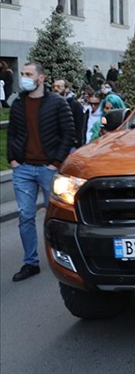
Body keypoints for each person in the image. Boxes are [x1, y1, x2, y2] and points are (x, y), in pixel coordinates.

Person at [6, 62, 75, 282]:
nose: (24, 77)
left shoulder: (57, 103)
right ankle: (30, 262)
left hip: (49, 169)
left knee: (54, 215)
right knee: (25, 215)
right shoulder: (18, 103)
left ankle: (63, 258)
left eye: (28, 74)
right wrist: (13, 159)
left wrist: (55, 163)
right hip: (23, 169)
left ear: (41, 78)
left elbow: (69, 133)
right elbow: (12, 133)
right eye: (22, 73)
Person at [53, 79, 85, 149]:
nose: (55, 89)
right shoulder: (51, 104)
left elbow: (80, 125)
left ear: (67, 89)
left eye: (59, 87)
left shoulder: (75, 105)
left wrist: (77, 141)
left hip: (70, 145)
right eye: (54, 87)